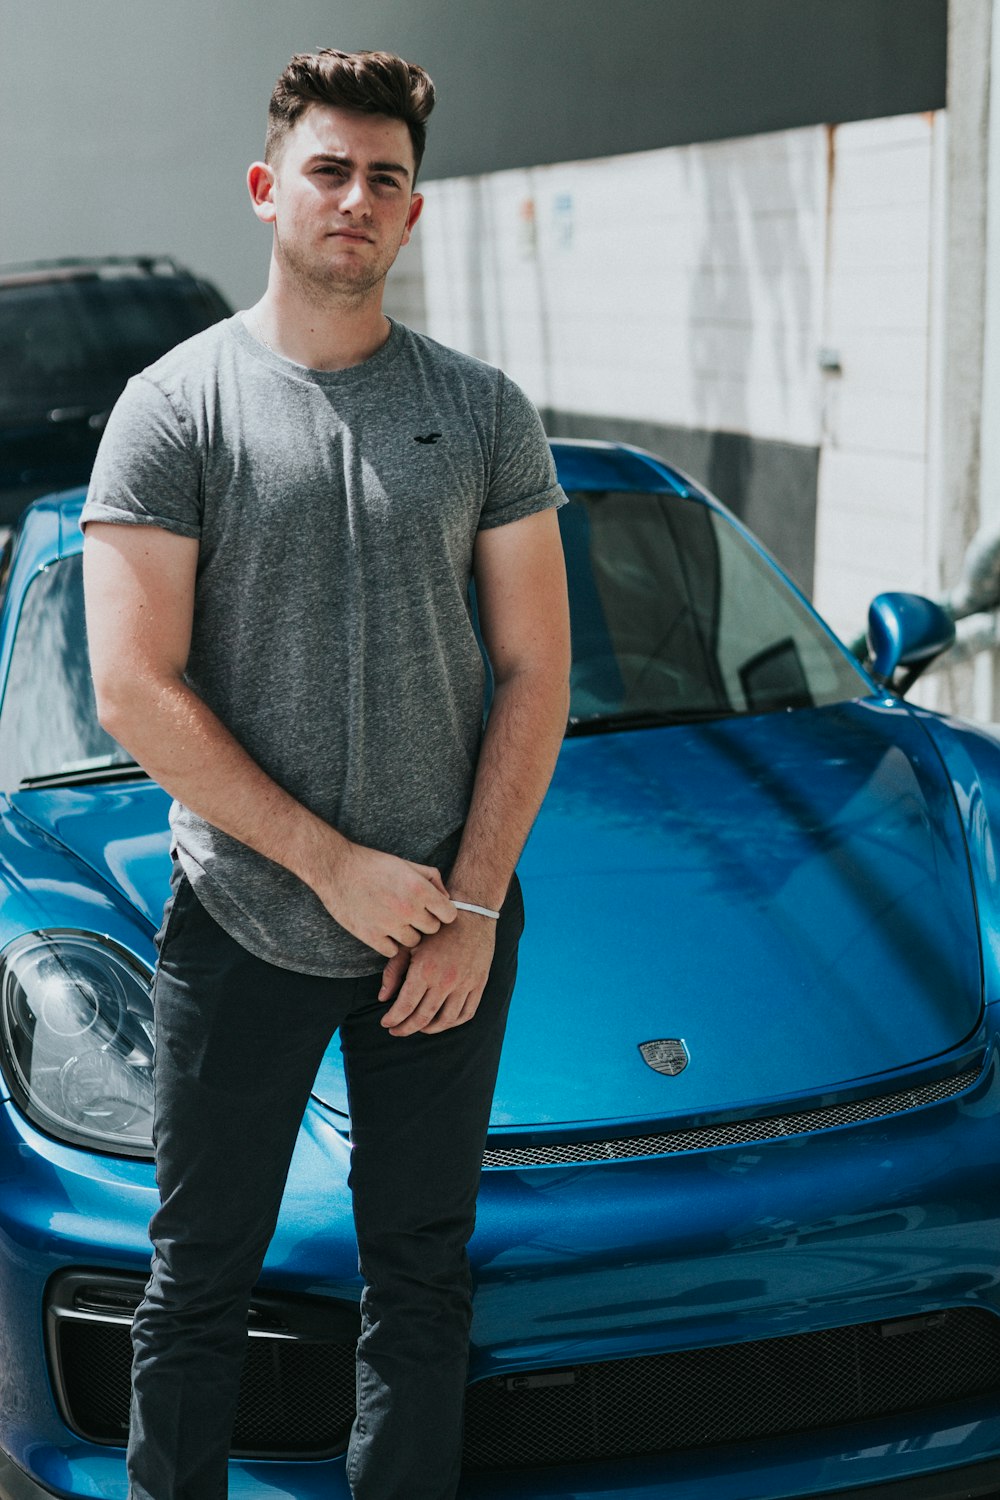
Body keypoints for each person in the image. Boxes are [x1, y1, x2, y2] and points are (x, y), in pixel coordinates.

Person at [81, 47, 571, 1500]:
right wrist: (330, 865)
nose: (357, 197)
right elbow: (130, 685)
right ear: (266, 188)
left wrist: (472, 902)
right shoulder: (176, 407)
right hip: (243, 921)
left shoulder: (484, 411)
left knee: (418, 1279)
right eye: (330, 169)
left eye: (387, 178)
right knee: (196, 1282)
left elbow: (539, 668)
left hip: (442, 925)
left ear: (413, 215)